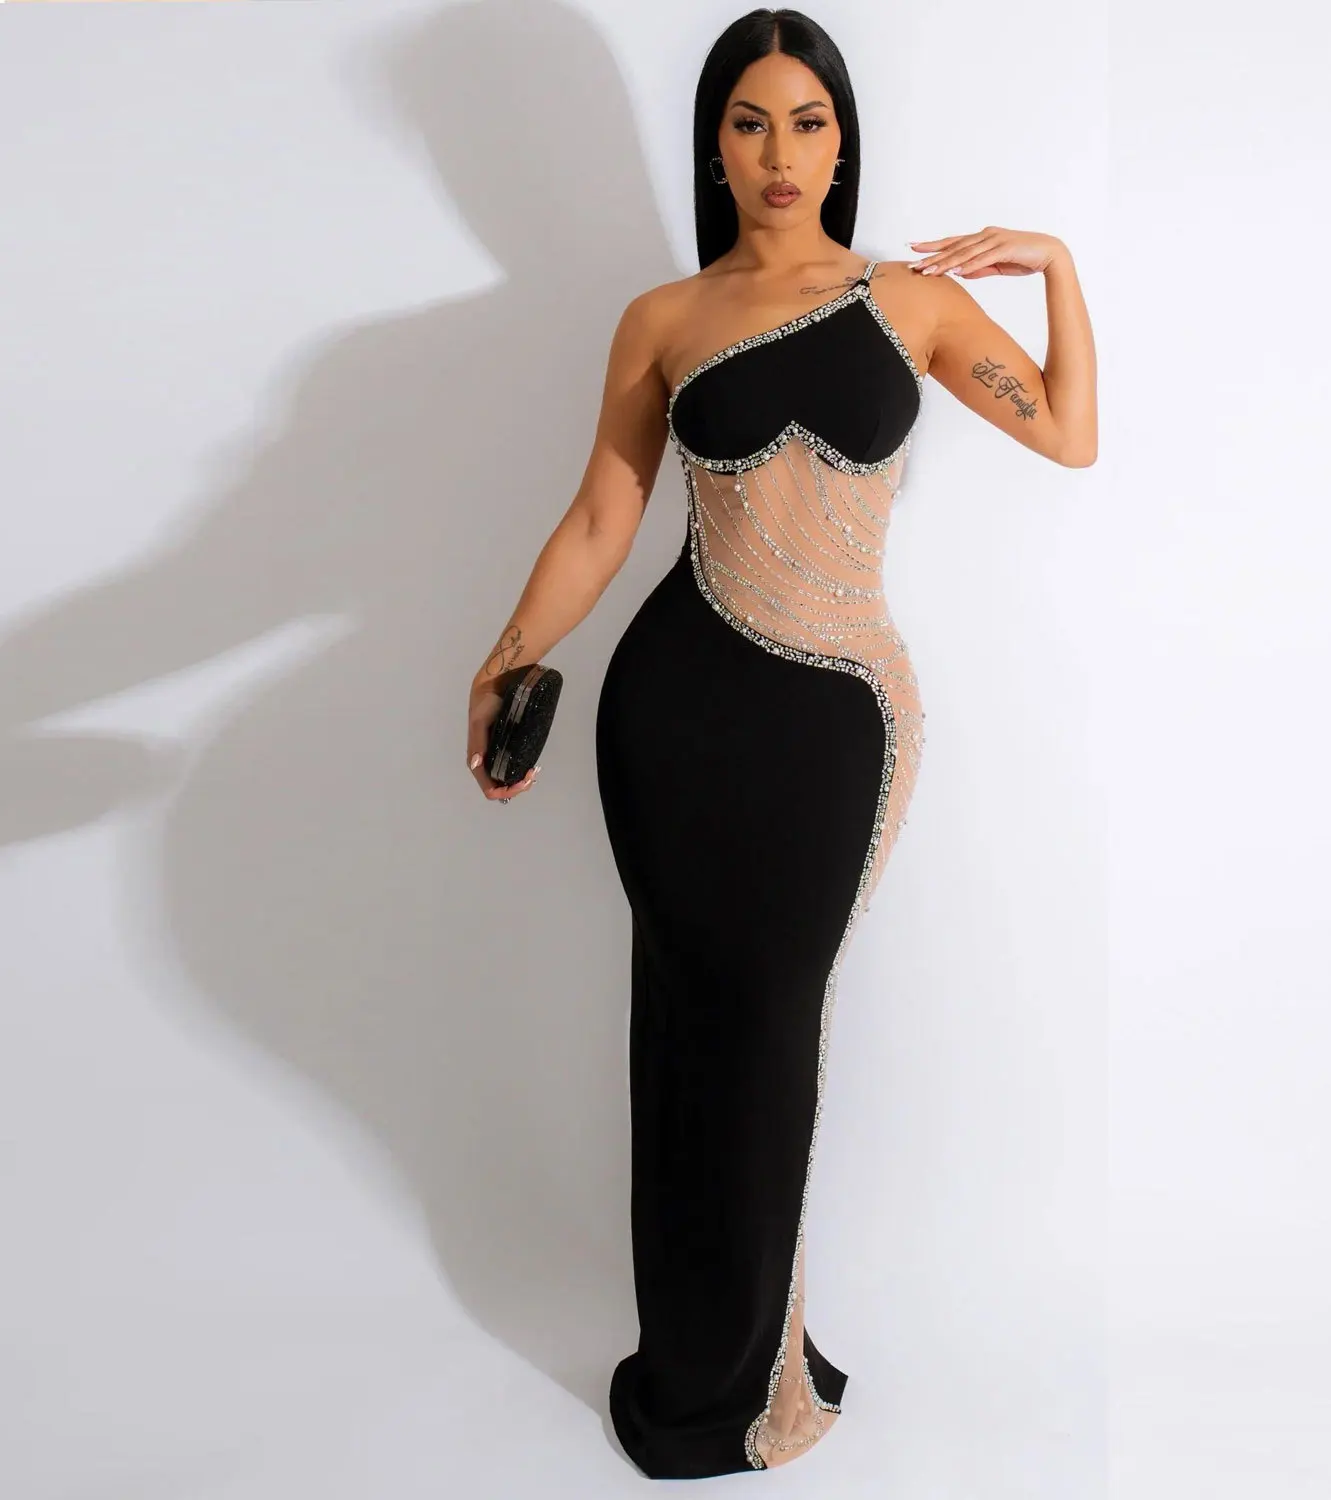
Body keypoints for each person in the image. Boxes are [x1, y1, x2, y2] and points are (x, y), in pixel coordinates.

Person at [465, 7, 1097, 1480]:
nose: (780, 153)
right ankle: (703, 1366)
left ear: (842, 139)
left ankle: (757, 1362)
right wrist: (508, 654)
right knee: (692, 1031)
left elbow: (1069, 433)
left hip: (841, 719)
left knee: (769, 1027)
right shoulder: (663, 319)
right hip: (674, 711)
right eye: (749, 122)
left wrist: (1058, 264)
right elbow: (603, 518)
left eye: (808, 121)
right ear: (714, 144)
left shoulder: (910, 301)